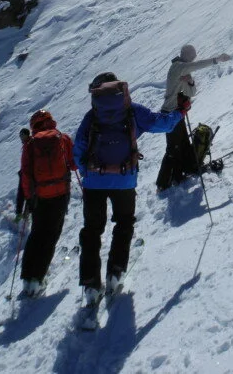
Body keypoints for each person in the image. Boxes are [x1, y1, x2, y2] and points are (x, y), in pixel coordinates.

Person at [74, 72, 188, 305]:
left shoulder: (91, 117)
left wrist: (89, 172)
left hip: (94, 181)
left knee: (92, 230)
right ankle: (115, 272)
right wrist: (181, 112)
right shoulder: (132, 110)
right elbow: (162, 124)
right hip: (125, 179)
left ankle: (90, 285)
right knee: (124, 223)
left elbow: (79, 149)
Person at [155, 45, 231, 191]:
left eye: (193, 56)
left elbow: (192, 92)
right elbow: (197, 66)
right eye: (191, 55)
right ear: (185, 55)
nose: (193, 58)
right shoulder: (178, 67)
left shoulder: (184, 70)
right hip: (170, 114)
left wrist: (189, 81)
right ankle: (162, 183)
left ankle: (180, 173)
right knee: (173, 148)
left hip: (178, 113)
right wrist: (216, 60)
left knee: (182, 143)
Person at [20, 110, 76, 297]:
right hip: (60, 194)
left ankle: (28, 277)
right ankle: (38, 278)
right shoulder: (62, 138)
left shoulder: (30, 144)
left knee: (37, 234)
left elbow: (26, 174)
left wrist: (29, 198)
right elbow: (74, 163)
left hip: (40, 196)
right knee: (51, 236)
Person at [14, 127, 31, 221]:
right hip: (24, 173)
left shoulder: (29, 144)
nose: (20, 137)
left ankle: (22, 215)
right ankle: (21, 214)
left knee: (24, 192)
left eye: (22, 135)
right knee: (23, 193)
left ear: (26, 135)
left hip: (27, 174)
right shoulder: (26, 144)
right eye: (20, 135)